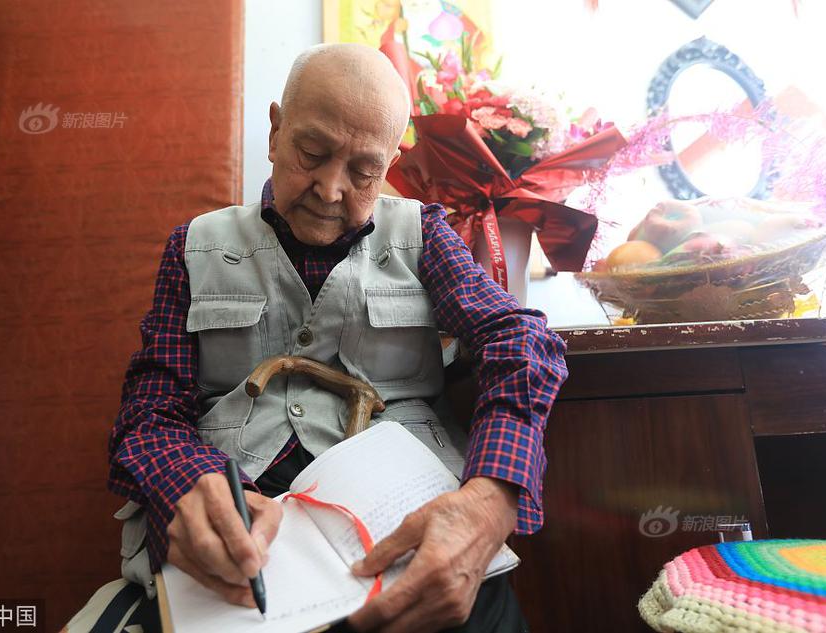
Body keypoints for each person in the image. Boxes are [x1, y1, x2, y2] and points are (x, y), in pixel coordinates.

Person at [64, 43, 567, 633]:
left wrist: (493, 494)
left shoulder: (424, 235)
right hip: (243, 513)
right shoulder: (194, 247)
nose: (330, 189)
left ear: (390, 164)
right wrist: (184, 483)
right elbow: (150, 410)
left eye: (363, 171)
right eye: (312, 153)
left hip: (402, 514)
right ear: (275, 132)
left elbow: (520, 340)